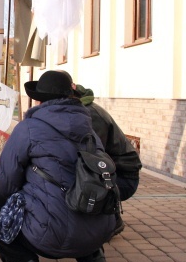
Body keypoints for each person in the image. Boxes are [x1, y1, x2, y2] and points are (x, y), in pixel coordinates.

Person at [0, 70, 116, 262]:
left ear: (39, 100)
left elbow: (5, 183)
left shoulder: (29, 128)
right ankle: (91, 256)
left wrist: (20, 196)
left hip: (50, 237)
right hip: (99, 232)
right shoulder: (89, 128)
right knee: (81, 185)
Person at [60, 71, 143, 235]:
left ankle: (109, 218)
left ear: (72, 88)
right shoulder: (77, 110)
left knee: (72, 176)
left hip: (123, 177)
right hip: (112, 171)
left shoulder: (89, 115)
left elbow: (92, 159)